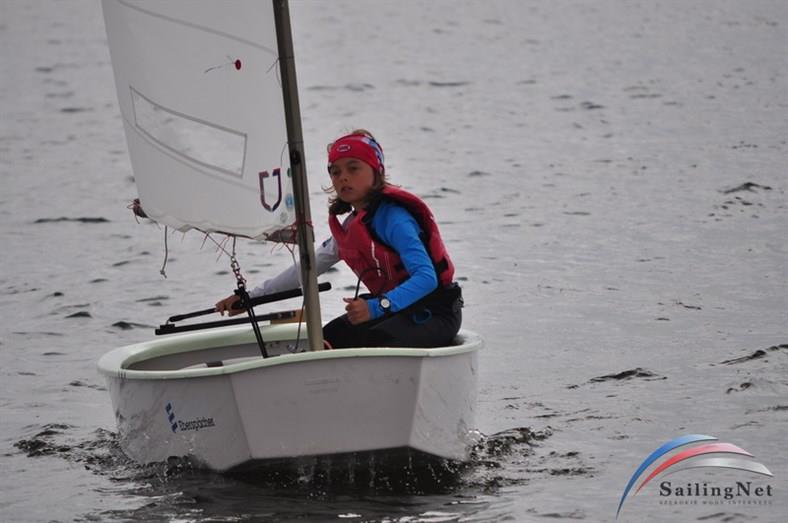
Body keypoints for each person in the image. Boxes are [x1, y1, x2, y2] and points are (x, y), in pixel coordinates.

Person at [215, 129, 463, 349]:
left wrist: (377, 307)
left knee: (378, 340)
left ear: (377, 172)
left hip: (435, 311)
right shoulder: (350, 229)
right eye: (335, 172)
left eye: (353, 168)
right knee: (326, 339)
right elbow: (306, 269)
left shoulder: (395, 220)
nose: (343, 177)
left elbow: (426, 278)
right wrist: (251, 298)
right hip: (394, 310)